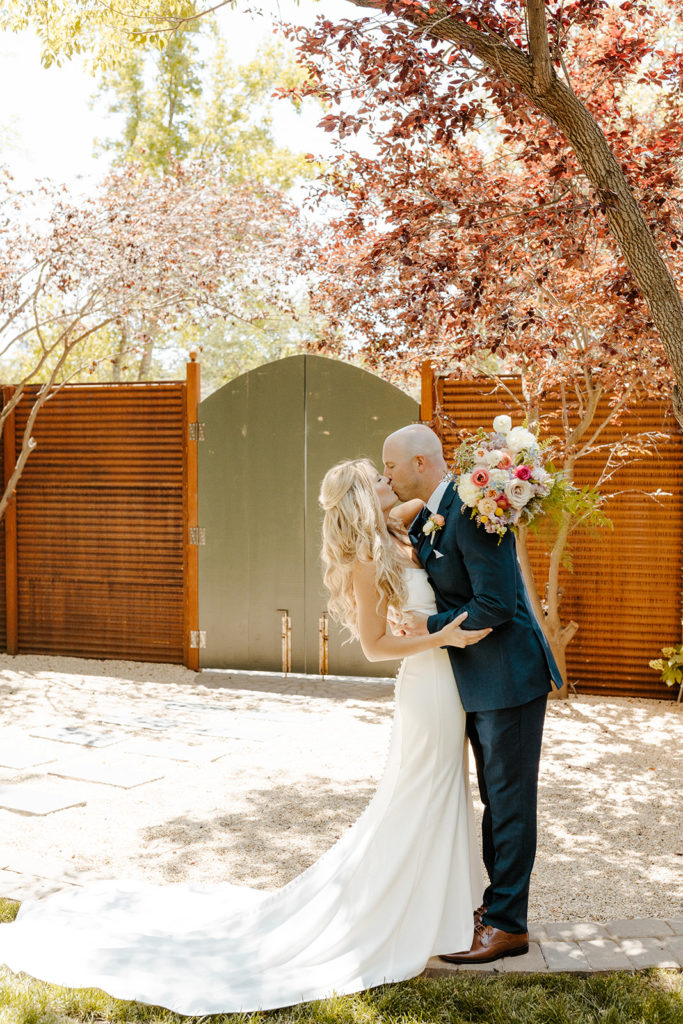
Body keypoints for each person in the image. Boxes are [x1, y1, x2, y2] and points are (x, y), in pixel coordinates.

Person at [0, 458, 490, 1015]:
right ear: (361, 497)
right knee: (418, 798)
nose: (390, 482)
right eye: (379, 479)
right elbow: (377, 647)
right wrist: (442, 635)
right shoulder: (362, 559)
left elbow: (425, 505)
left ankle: (443, 910)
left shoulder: (396, 533)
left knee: (438, 793)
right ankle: (407, 915)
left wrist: (466, 496)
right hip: (427, 687)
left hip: (444, 686)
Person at [382, 424, 563, 965]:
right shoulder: (439, 511)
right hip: (477, 681)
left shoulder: (475, 508)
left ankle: (508, 924)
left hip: (509, 677)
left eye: (390, 465)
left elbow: (498, 603)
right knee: (494, 800)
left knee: (508, 805)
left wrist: (428, 626)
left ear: (420, 461)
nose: (386, 475)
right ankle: (496, 907)